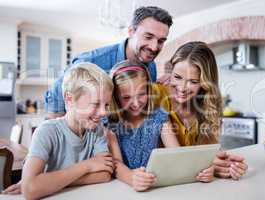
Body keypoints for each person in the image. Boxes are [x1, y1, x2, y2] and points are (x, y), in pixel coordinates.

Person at [2, 63, 119, 199]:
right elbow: (30, 189)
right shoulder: (47, 132)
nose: (104, 112)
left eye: (106, 105)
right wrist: (87, 166)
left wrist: (50, 182)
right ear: (69, 100)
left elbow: (104, 174)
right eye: (96, 104)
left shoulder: (97, 130)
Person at [104, 60, 215, 192]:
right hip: (124, 189)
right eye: (126, 97)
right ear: (115, 97)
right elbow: (117, 164)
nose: (135, 103)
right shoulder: (111, 123)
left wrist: (202, 171)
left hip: (156, 188)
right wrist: (131, 177)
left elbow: (177, 154)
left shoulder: (159, 117)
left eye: (141, 94)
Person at [45, 6, 173, 119]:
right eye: (148, 37)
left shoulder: (151, 67)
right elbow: (56, 94)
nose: (154, 47)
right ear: (131, 32)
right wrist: (60, 133)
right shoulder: (92, 61)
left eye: (161, 41)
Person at [153, 41, 248, 180]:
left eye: (193, 81)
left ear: (205, 84)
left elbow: (207, 155)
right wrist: (207, 164)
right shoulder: (157, 96)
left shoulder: (209, 107)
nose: (182, 87)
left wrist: (226, 166)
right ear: (171, 72)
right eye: (177, 77)